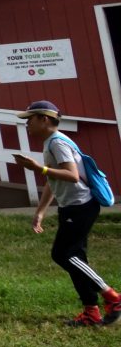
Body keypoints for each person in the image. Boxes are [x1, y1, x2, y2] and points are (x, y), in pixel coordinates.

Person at [10, 100, 121, 327]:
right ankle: (91, 313)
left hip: (81, 206)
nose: (26, 124)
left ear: (44, 119)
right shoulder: (51, 142)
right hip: (71, 206)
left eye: (29, 119)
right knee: (76, 259)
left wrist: (37, 168)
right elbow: (54, 179)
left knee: (62, 255)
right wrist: (40, 211)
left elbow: (71, 175)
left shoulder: (57, 142)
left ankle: (113, 297)